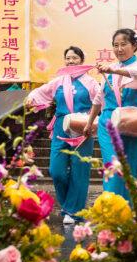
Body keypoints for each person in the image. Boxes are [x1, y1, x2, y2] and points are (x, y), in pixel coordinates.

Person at [26, 46, 99, 224]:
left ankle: (73, 211)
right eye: (68, 58)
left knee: (79, 169)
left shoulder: (90, 82)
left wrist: (93, 123)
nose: (70, 61)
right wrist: (31, 98)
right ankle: (69, 207)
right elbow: (41, 92)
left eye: (74, 58)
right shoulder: (59, 81)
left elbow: (101, 101)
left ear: (82, 60)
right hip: (61, 126)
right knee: (56, 170)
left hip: (83, 127)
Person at [83, 28, 137, 200]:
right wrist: (90, 123)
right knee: (112, 165)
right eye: (115, 45)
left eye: (123, 44)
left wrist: (113, 70)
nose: (119, 49)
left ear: (134, 46)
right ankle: (112, 208)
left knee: (129, 168)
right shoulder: (109, 70)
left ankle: (127, 211)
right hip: (108, 124)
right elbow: (98, 99)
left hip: (134, 122)